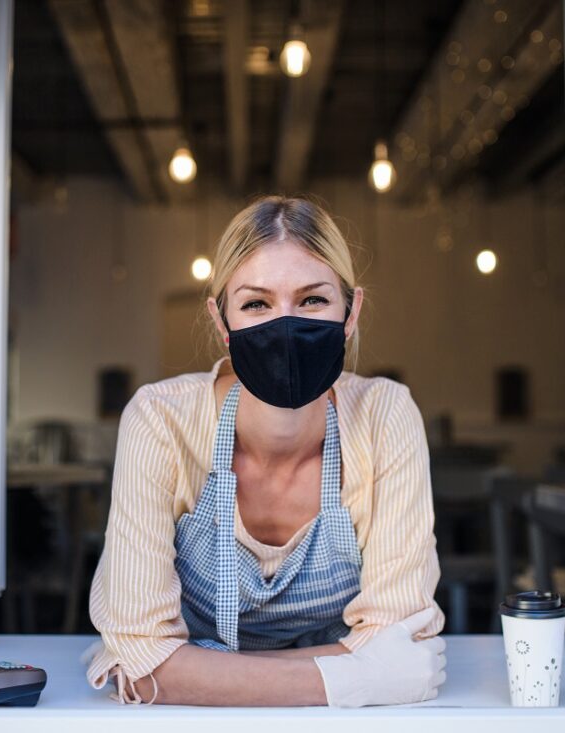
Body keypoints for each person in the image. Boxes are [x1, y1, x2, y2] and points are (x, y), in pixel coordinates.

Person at [82, 195, 446, 706]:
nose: (285, 326)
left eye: (313, 300)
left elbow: (398, 640)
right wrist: (355, 677)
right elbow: (141, 659)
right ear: (222, 324)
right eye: (256, 303)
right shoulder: (161, 420)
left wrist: (194, 670)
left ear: (351, 311)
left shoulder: (385, 416)